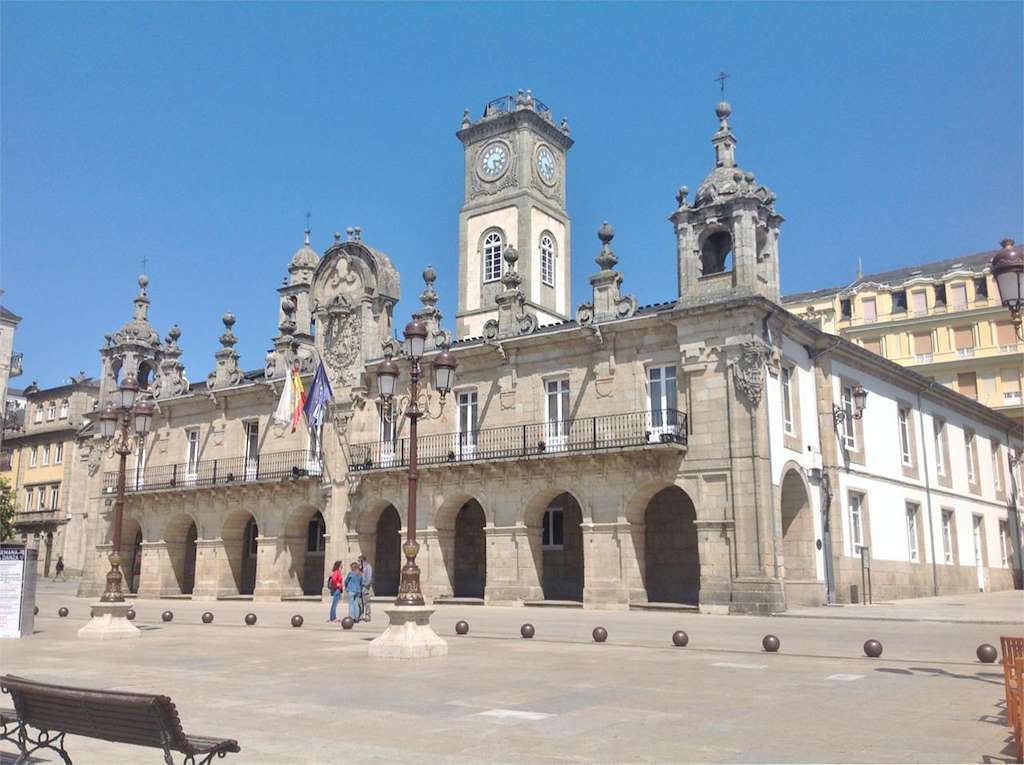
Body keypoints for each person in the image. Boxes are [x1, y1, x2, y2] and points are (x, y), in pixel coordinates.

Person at [358, 555, 374, 622]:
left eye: (359, 561)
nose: (358, 562)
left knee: (366, 602)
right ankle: (361, 615)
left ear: (362, 560)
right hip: (360, 587)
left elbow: (369, 578)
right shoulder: (361, 568)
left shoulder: (368, 567)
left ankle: (367, 615)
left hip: (365, 587)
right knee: (360, 602)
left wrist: (365, 585)